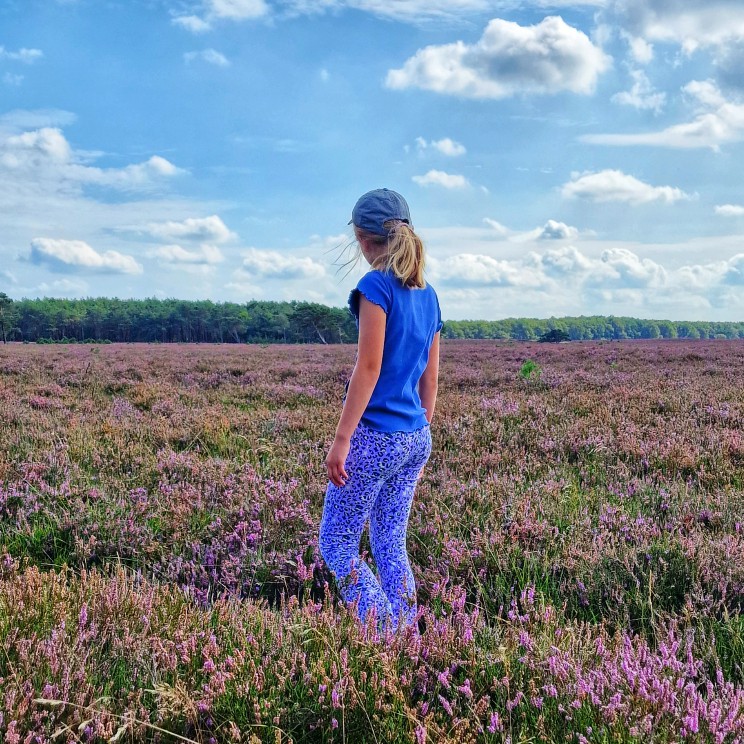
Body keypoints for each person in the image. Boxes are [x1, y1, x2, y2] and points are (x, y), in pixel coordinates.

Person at [318, 188, 442, 636]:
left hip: (374, 437)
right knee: (391, 542)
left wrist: (342, 439)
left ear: (365, 239)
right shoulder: (428, 294)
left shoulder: (375, 286)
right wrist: (417, 431)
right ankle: (409, 631)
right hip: (414, 435)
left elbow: (366, 369)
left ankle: (387, 632)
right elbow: (430, 378)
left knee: (336, 545)